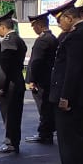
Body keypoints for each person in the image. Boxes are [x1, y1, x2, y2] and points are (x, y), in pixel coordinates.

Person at [48, 1, 83, 164]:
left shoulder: (76, 36)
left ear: (69, 18)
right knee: (81, 139)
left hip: (72, 97)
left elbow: (73, 69)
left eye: (60, 21)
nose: (59, 25)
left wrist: (65, 96)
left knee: (70, 140)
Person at [0, 11, 26, 154]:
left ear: (2, 27)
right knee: (14, 115)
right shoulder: (18, 39)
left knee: (9, 115)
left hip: (9, 85)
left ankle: (10, 142)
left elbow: (4, 68)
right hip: (17, 82)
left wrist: (1, 86)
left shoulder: (8, 42)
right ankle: (13, 142)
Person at [24, 12, 58, 144]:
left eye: (34, 26)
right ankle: (47, 131)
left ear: (39, 25)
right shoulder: (52, 38)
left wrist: (32, 80)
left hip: (41, 80)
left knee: (43, 107)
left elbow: (36, 62)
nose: (33, 28)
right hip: (49, 77)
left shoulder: (42, 40)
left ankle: (44, 133)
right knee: (47, 107)